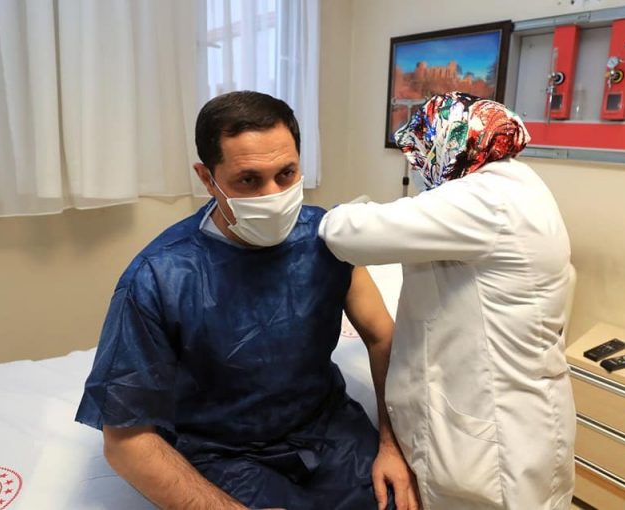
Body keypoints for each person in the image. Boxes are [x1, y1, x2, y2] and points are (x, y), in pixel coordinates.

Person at [76, 91, 419, 510]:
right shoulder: (159, 278)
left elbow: (382, 336)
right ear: (207, 179)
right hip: (222, 451)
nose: (272, 195)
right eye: (248, 180)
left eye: (286, 174)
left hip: (328, 430)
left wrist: (391, 445)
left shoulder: (329, 240)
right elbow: (126, 440)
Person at [318, 91, 576, 510]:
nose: (420, 169)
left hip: (497, 438)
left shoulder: (484, 200)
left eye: (420, 155)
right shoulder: (520, 185)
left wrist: (316, 216)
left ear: (449, 144)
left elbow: (347, 233)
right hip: (528, 416)